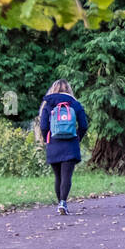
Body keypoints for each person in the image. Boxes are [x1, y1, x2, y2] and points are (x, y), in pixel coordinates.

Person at [38, 80, 88, 215]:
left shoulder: (48, 104)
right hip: (70, 144)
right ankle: (63, 203)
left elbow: (43, 126)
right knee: (66, 176)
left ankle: (60, 203)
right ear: (69, 89)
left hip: (53, 144)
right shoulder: (75, 104)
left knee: (58, 176)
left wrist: (46, 139)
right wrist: (78, 137)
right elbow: (84, 125)